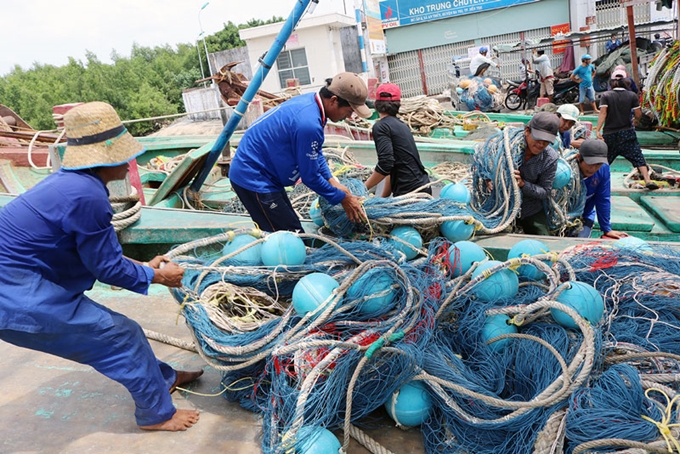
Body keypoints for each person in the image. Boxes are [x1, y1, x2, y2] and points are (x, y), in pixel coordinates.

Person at [0, 102, 203, 432]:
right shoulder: (88, 196)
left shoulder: (72, 183)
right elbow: (107, 270)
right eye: (124, 155)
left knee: (114, 333)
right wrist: (158, 275)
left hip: (22, 279)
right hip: (14, 294)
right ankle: (157, 415)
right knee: (121, 335)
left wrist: (143, 265)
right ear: (105, 157)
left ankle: (162, 377)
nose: (129, 162)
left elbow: (96, 255)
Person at [228, 72, 370, 232]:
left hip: (267, 175)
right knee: (290, 236)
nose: (349, 117)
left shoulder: (312, 104)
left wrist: (331, 180)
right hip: (253, 178)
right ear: (334, 100)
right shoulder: (309, 124)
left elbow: (315, 152)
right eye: (349, 111)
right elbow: (310, 177)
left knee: (291, 228)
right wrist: (343, 198)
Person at [595, 70, 659, 190]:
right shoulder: (631, 96)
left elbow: (603, 113)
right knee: (638, 157)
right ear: (626, 82)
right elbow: (639, 114)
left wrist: (598, 130)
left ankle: (596, 181)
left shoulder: (606, 95)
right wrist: (635, 120)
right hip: (627, 133)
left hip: (610, 134)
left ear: (612, 82)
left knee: (604, 160)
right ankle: (647, 180)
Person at [364, 83, 431, 197]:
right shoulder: (402, 125)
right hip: (423, 188)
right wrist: (383, 198)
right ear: (398, 105)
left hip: (408, 194)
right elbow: (392, 165)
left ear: (375, 105)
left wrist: (363, 188)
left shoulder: (380, 127)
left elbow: (385, 164)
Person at [570, 139, 628, 239]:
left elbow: (603, 199)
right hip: (560, 217)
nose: (593, 169)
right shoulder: (566, 171)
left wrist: (607, 229)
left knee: (579, 243)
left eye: (598, 164)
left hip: (584, 216)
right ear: (579, 158)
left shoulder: (603, 169)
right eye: (590, 164)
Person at [516, 112, 561, 235]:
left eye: (546, 141)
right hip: (502, 207)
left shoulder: (550, 158)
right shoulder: (507, 146)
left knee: (543, 239)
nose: (541, 144)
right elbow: (486, 168)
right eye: (538, 138)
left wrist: (523, 185)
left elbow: (545, 191)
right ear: (527, 131)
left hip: (530, 208)